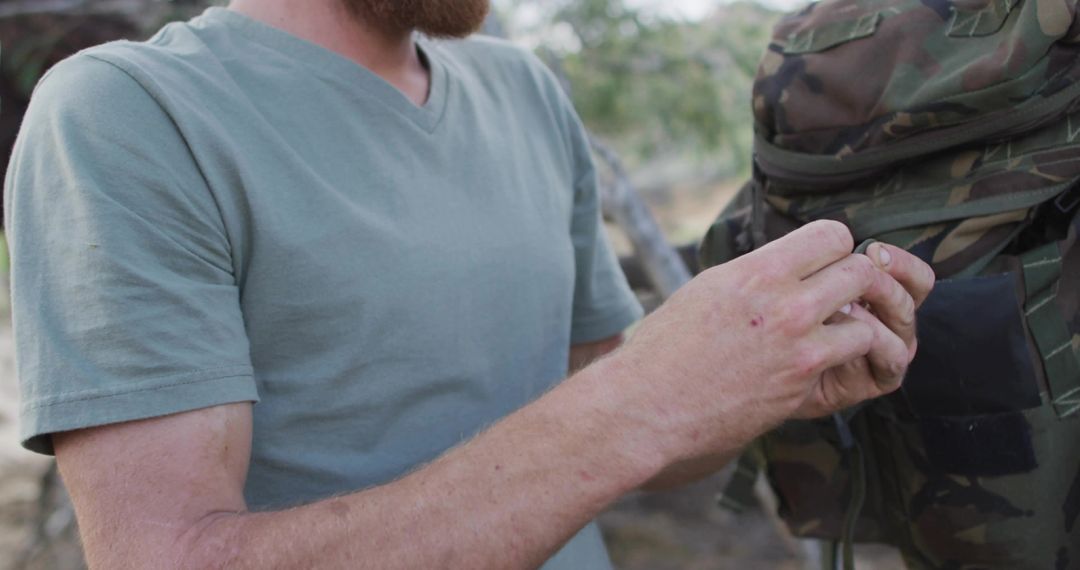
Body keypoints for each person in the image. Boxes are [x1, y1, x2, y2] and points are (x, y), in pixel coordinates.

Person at [3, 0, 935, 568]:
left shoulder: (524, 90)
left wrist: (753, 384)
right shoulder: (131, 111)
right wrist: (637, 403)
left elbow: (643, 434)